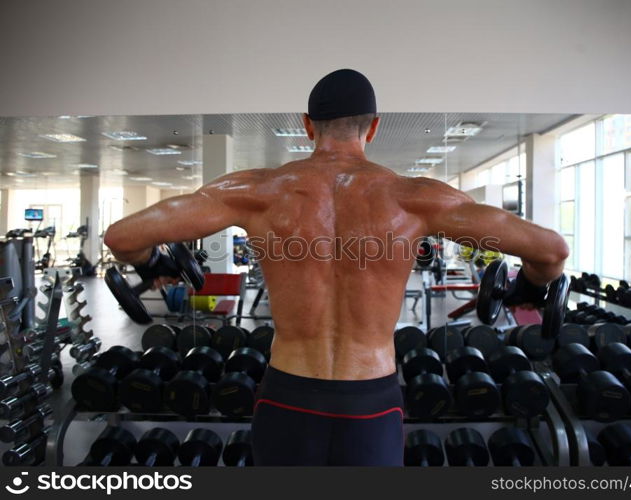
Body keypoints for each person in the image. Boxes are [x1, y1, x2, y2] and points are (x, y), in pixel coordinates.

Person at [104, 68, 569, 466]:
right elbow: (550, 251)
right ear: (373, 128)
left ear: (308, 126)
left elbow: (122, 238)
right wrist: (529, 286)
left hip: (288, 395)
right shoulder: (418, 198)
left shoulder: (258, 191)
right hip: (372, 401)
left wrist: (154, 262)